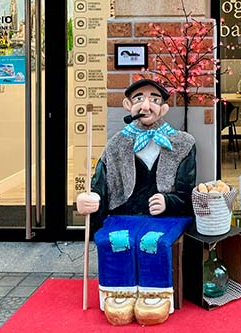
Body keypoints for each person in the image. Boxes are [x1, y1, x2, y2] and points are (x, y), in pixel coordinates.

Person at [76, 75, 196, 326]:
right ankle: (118, 292)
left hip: (164, 218)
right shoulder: (116, 145)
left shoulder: (182, 143)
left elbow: (187, 191)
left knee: (151, 241)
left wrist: (169, 201)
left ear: (164, 108)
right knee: (117, 239)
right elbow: (101, 184)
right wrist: (91, 199)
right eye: (139, 98)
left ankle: (155, 294)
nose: (146, 106)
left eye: (154, 100)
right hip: (125, 212)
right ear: (127, 105)